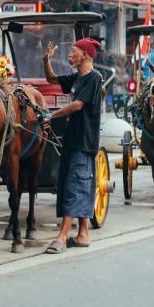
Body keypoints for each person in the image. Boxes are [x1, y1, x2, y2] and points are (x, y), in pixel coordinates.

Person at [41, 37, 103, 254]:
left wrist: (52, 115)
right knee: (77, 185)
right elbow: (51, 79)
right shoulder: (77, 78)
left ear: (84, 54)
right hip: (71, 140)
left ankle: (62, 236)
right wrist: (46, 60)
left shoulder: (94, 78)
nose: (69, 55)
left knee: (75, 187)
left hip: (84, 143)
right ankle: (83, 234)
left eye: (73, 51)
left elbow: (77, 105)